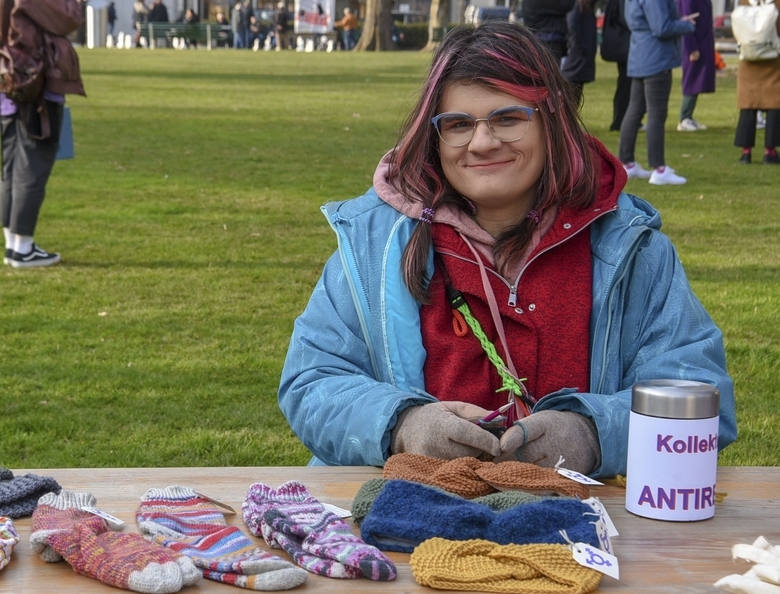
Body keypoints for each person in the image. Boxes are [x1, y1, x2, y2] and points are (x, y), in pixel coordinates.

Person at [277, 22, 735, 477]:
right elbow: (312, 381)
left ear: (551, 119)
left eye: (508, 118)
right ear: (434, 136)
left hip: (588, 528)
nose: (482, 142)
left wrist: (593, 435)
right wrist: (403, 425)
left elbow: (699, 394)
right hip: (400, 522)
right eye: (458, 124)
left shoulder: (634, 248)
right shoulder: (374, 245)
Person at [0, 0, 85, 267]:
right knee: (33, 164)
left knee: (10, 165)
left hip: (0, 73)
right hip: (30, 77)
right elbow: (66, 17)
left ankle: (13, 243)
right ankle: (23, 246)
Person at [616, 0, 696, 185]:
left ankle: (627, 163)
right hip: (656, 58)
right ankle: (659, 168)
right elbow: (661, 27)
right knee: (656, 114)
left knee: (634, 110)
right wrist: (686, 25)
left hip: (639, 55)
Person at [733, 0, 780, 164]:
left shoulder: (744, 1)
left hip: (748, 59)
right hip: (773, 57)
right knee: (774, 104)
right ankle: (770, 151)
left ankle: (746, 151)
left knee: (748, 105)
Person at [677, 0, 714, 131]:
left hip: (703, 42)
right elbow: (686, 19)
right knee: (691, 79)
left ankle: (689, 116)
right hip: (695, 43)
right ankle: (684, 117)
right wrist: (691, 47)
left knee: (697, 79)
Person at [599, 0, 631, 131]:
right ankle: (620, 120)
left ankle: (623, 119)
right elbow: (627, 18)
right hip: (626, 45)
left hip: (621, 44)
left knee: (626, 83)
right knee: (626, 84)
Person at [560, 0, 596, 109]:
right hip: (577, 56)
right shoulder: (576, 6)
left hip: (583, 56)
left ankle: (571, 121)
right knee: (571, 91)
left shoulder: (586, 8)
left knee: (577, 91)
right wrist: (579, 46)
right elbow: (572, 25)